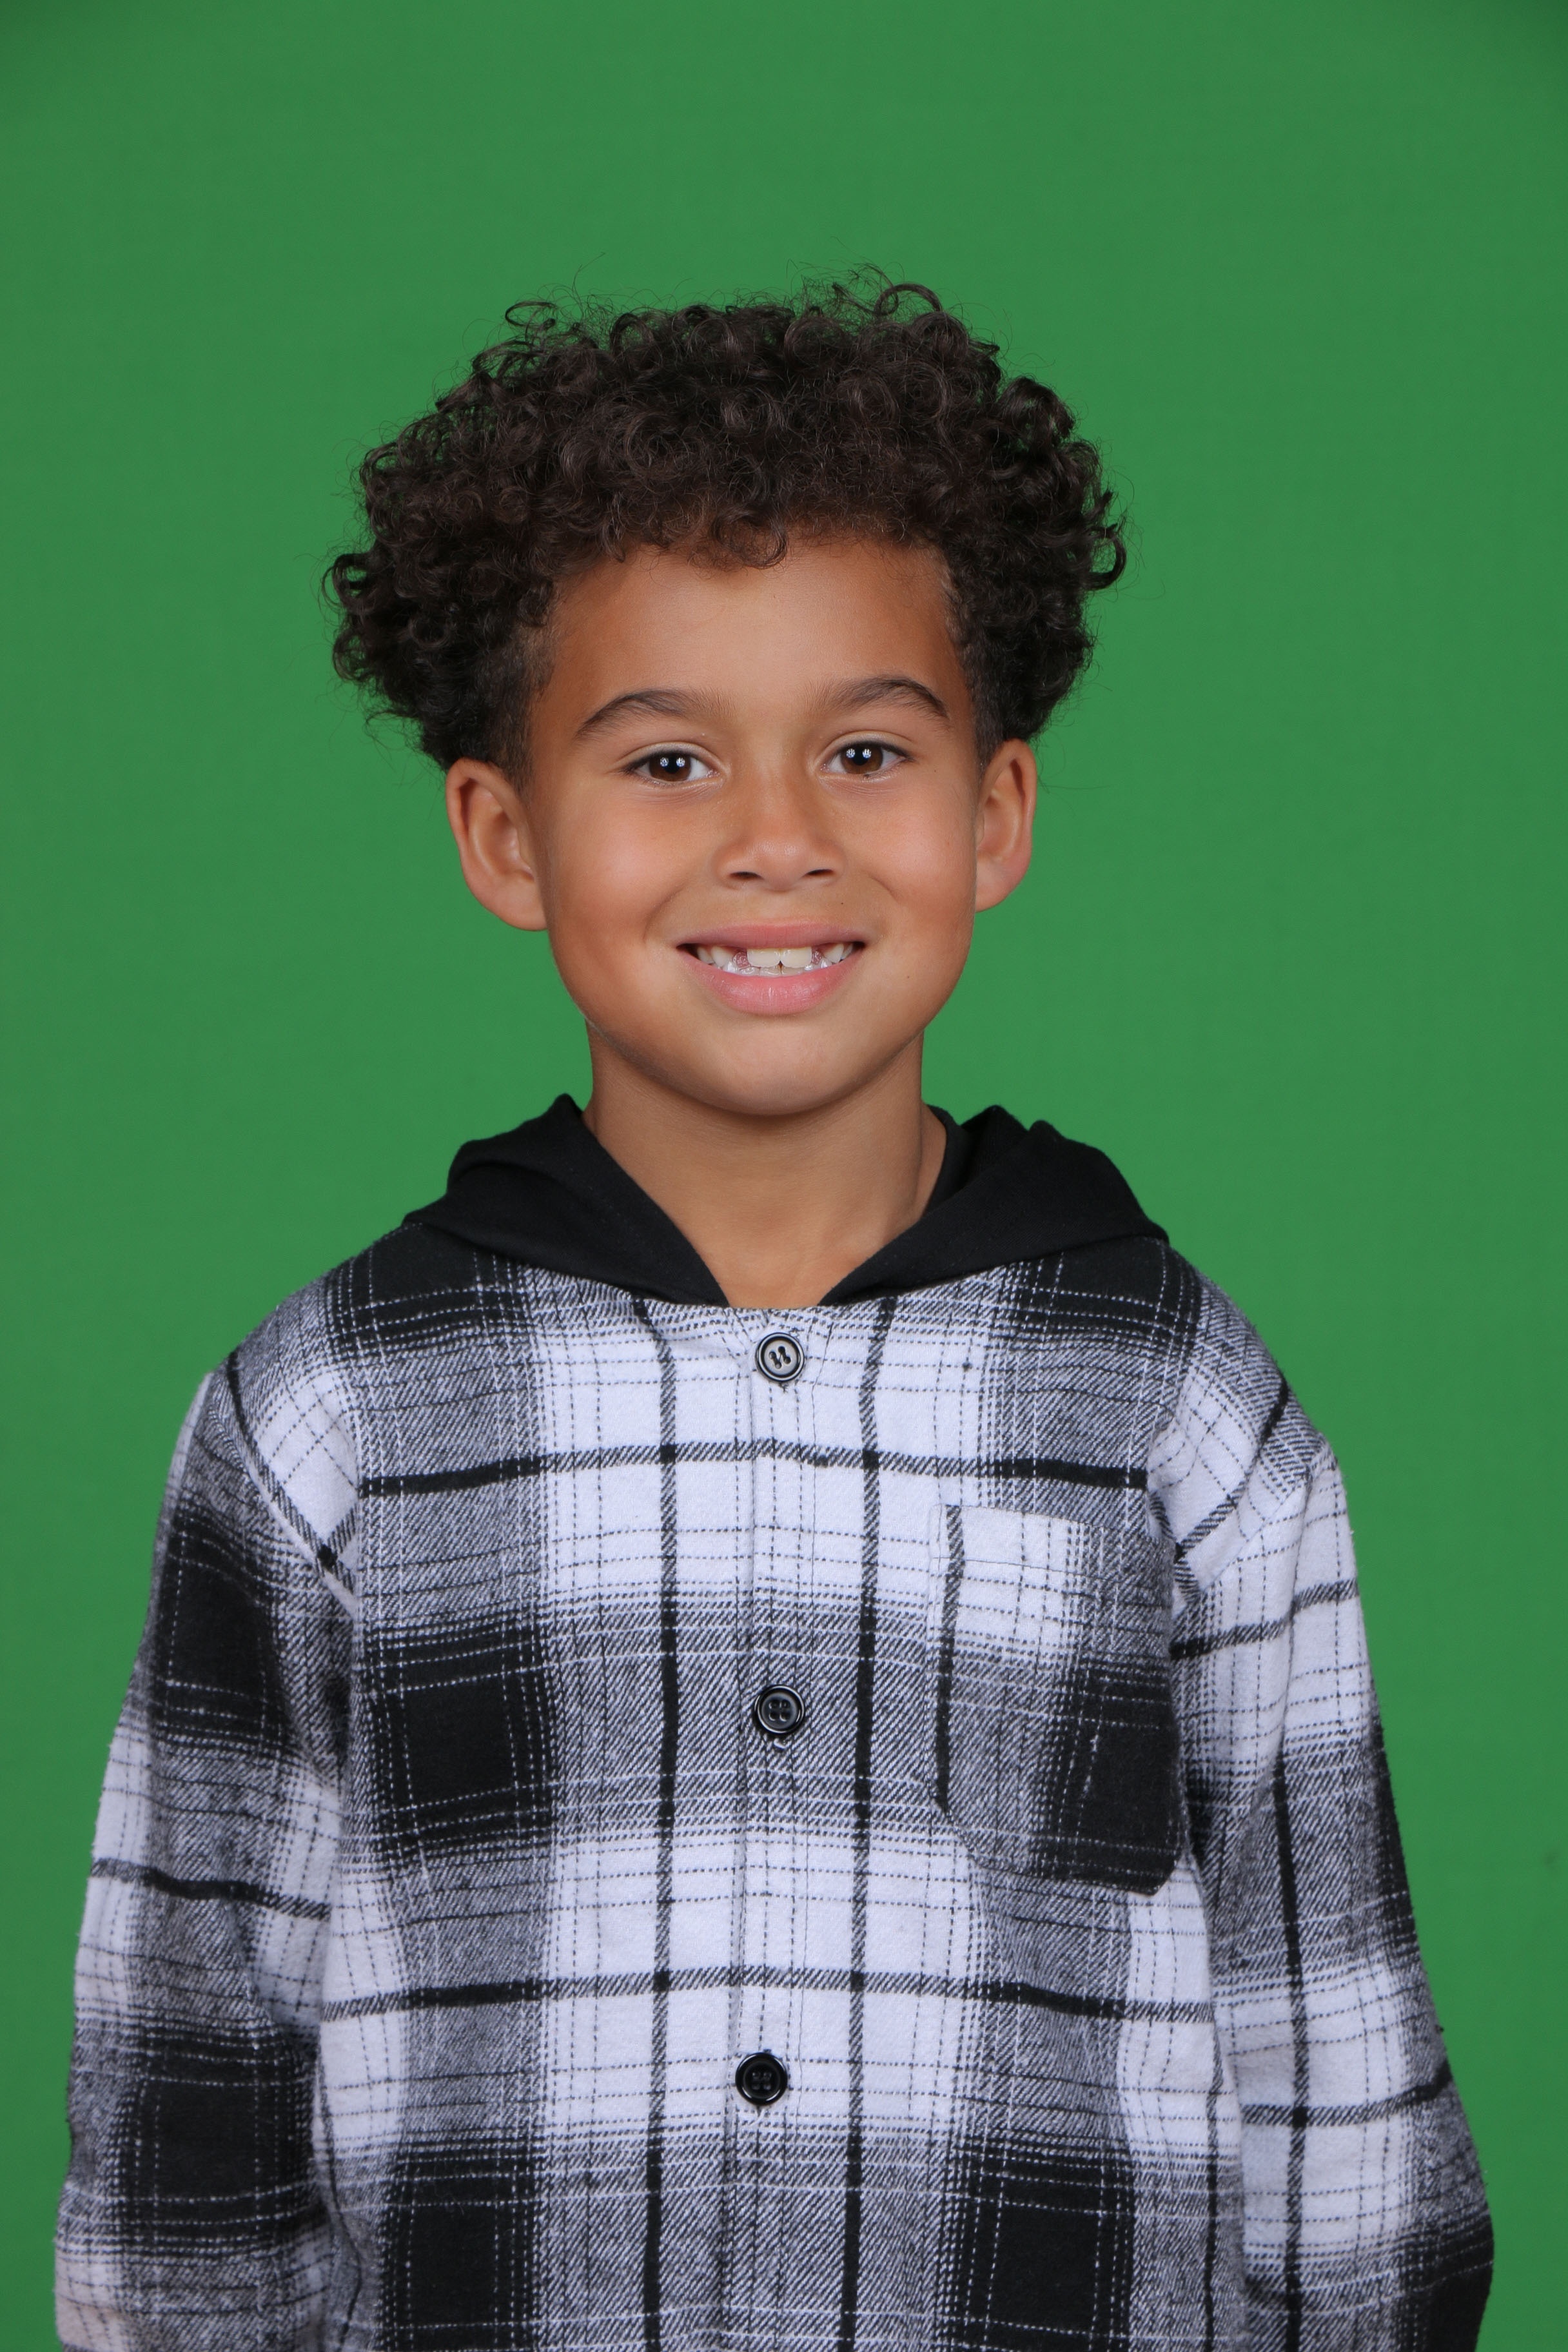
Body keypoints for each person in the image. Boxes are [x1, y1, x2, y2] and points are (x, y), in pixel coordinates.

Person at [56, 281, 1491, 2351]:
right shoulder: (329, 1416)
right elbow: (189, 2072)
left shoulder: (1174, 1399)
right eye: (667, 758)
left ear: (994, 816)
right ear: (503, 833)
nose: (777, 840)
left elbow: (1338, 2059)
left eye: (866, 751)